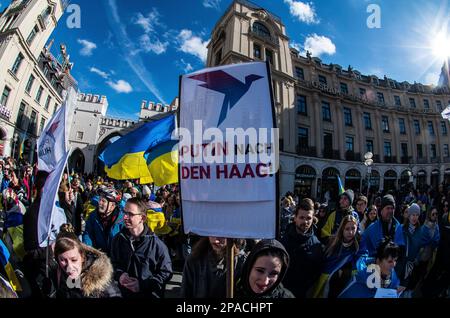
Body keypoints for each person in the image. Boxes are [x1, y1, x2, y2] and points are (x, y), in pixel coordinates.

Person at [110, 197, 173, 298]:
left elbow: (166, 273)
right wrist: (120, 275)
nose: (125, 217)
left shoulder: (157, 245)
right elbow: (112, 264)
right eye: (124, 212)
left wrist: (142, 285)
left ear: (142, 218)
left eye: (130, 214)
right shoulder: (118, 240)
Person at [53, 224, 121, 298]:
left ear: (82, 257)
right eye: (63, 260)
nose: (69, 266)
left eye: (74, 260)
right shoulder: (57, 274)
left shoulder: (101, 279)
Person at [281, 198, 324, 298]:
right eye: (301, 217)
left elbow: (317, 274)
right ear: (295, 218)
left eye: (308, 218)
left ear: (313, 219)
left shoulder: (317, 245)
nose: (305, 221)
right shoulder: (283, 242)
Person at [312, 215, 361, 298]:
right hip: (327, 278)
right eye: (347, 229)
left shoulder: (359, 244)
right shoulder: (332, 242)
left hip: (346, 282)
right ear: (342, 229)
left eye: (353, 228)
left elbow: (360, 259)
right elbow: (325, 261)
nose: (350, 232)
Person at [396, 203, 440, 297]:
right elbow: (396, 247)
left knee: (407, 291)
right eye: (413, 214)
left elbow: (420, 248)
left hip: (411, 268)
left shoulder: (420, 231)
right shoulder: (401, 228)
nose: (414, 217)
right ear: (409, 215)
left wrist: (416, 258)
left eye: (417, 215)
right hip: (399, 266)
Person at [180, 236, 246, 298]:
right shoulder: (194, 259)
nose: (216, 241)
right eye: (213, 234)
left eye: (222, 236)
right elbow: (185, 292)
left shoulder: (240, 262)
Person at [82, 187, 124, 254]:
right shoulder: (93, 216)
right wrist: (88, 250)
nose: (99, 203)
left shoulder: (122, 220)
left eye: (103, 201)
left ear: (112, 206)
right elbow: (88, 234)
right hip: (99, 256)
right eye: (99, 200)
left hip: (116, 258)